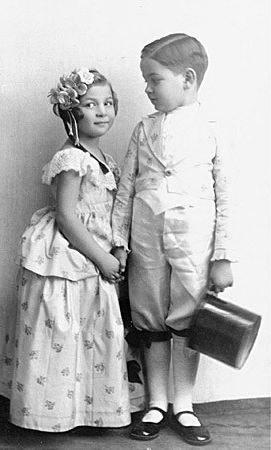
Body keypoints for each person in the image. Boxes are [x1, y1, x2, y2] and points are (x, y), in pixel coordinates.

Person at [112, 33, 236, 446]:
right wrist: (119, 242)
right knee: (149, 317)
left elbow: (225, 197)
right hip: (146, 241)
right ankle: (156, 402)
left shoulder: (212, 129)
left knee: (188, 318)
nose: (146, 89)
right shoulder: (143, 129)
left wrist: (222, 255)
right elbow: (126, 188)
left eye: (153, 79)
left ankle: (184, 405)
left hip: (193, 243)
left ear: (186, 78)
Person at [0, 67, 131, 432]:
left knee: (92, 332)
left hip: (98, 248)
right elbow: (69, 217)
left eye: (108, 103)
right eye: (90, 104)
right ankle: (52, 412)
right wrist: (101, 257)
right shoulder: (71, 158)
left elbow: (109, 212)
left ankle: (86, 408)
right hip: (72, 252)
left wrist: (117, 248)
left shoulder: (104, 157)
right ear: (72, 112)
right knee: (63, 330)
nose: (102, 111)